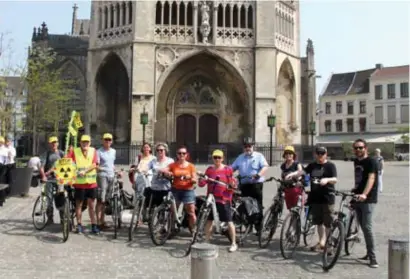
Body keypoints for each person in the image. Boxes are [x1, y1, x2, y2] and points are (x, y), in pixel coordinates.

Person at [285, 146, 337, 252]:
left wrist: (327, 180)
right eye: (318, 153)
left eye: (322, 153)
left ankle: (328, 244)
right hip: (315, 197)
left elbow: (335, 179)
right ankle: (321, 242)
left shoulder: (330, 165)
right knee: (319, 222)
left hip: (327, 197)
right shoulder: (312, 165)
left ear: (326, 154)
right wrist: (292, 174)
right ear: (315, 154)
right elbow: (302, 172)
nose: (320, 155)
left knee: (328, 222)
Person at [198, 149, 238, 252]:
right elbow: (202, 184)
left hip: (223, 199)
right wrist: (201, 179)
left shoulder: (227, 169)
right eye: (215, 157)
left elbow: (232, 183)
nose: (217, 159)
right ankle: (207, 240)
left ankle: (233, 243)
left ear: (222, 158)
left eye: (219, 157)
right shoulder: (210, 170)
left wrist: (232, 185)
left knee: (229, 221)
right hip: (211, 199)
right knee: (209, 220)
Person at [231, 137, 269, 234]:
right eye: (246, 146)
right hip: (244, 185)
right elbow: (232, 168)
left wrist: (258, 175)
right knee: (246, 206)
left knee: (257, 206)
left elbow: (265, 166)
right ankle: (248, 226)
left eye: (249, 146)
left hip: (256, 185)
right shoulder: (240, 157)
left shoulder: (259, 156)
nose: (248, 148)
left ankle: (258, 227)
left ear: (253, 146)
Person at [352, 139, 379, 268]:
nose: (358, 150)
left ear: (366, 148)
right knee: (362, 226)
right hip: (357, 197)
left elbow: (371, 178)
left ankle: (373, 258)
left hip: (368, 199)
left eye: (360, 148)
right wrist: (356, 190)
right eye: (356, 148)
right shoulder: (356, 161)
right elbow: (359, 178)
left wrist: (364, 194)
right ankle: (368, 252)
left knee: (367, 227)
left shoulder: (372, 161)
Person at [67, 135, 99, 234]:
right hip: (79, 184)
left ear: (90, 143)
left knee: (91, 206)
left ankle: (94, 225)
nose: (85, 143)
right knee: (79, 205)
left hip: (91, 183)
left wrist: (85, 171)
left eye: (87, 142)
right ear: (80, 142)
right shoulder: (74, 151)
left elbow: (94, 164)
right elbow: (68, 162)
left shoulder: (93, 151)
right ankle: (79, 225)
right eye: (83, 142)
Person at [162, 145, 197, 233]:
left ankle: (193, 230)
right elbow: (164, 170)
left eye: (183, 153)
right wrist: (167, 172)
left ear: (186, 155)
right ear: (177, 155)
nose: (181, 155)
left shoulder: (191, 166)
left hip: (188, 190)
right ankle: (172, 229)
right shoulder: (173, 165)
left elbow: (195, 179)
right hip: (176, 189)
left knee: (191, 212)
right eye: (179, 153)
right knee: (173, 210)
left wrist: (190, 178)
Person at [40, 136, 65, 223]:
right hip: (49, 179)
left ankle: (63, 218)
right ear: (49, 144)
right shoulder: (46, 154)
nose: (54, 144)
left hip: (60, 179)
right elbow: (42, 167)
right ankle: (50, 218)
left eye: (55, 142)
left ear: (58, 143)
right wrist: (43, 176)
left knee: (61, 198)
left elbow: (67, 165)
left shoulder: (62, 153)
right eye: (52, 142)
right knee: (49, 198)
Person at [96, 133, 117, 231]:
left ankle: (102, 220)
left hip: (111, 176)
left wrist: (116, 171)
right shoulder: (99, 151)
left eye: (109, 140)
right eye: (106, 140)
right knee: (101, 199)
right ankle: (98, 222)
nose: (108, 141)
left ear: (112, 141)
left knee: (106, 200)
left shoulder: (113, 151)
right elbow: (96, 165)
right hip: (102, 176)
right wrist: (103, 169)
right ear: (103, 141)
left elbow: (112, 164)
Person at [146, 142, 174, 209]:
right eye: (157, 150)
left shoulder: (170, 161)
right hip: (155, 187)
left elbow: (173, 172)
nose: (159, 151)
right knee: (153, 207)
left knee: (167, 208)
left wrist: (167, 173)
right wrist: (145, 171)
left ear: (165, 151)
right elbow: (147, 168)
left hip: (166, 188)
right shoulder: (153, 161)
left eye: (161, 150)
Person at [0, 136, 7, 206]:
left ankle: (1, 200)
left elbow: (6, 159)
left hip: (2, 166)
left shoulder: (4, 149)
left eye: (1, 142)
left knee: (1, 183)